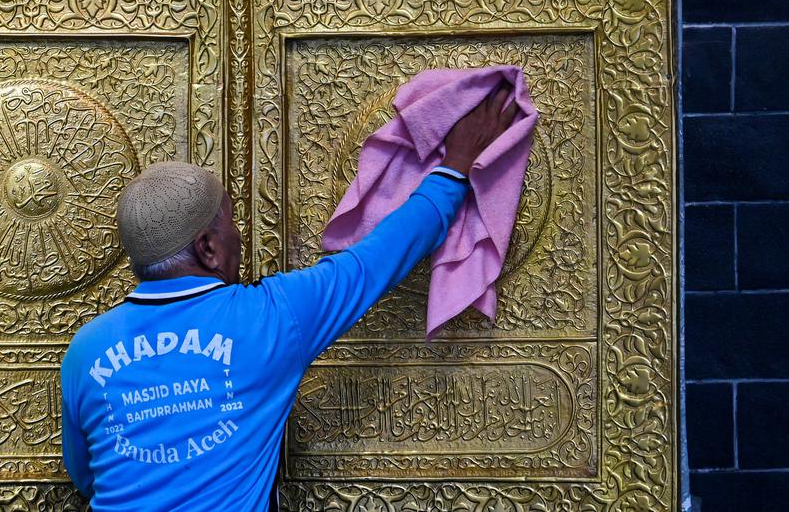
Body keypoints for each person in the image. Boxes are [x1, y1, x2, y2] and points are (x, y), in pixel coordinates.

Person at [60, 85, 520, 511]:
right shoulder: (270, 317)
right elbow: (380, 258)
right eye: (230, 224)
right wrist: (455, 167)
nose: (238, 237)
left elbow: (87, 475)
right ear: (208, 247)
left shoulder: (85, 349)